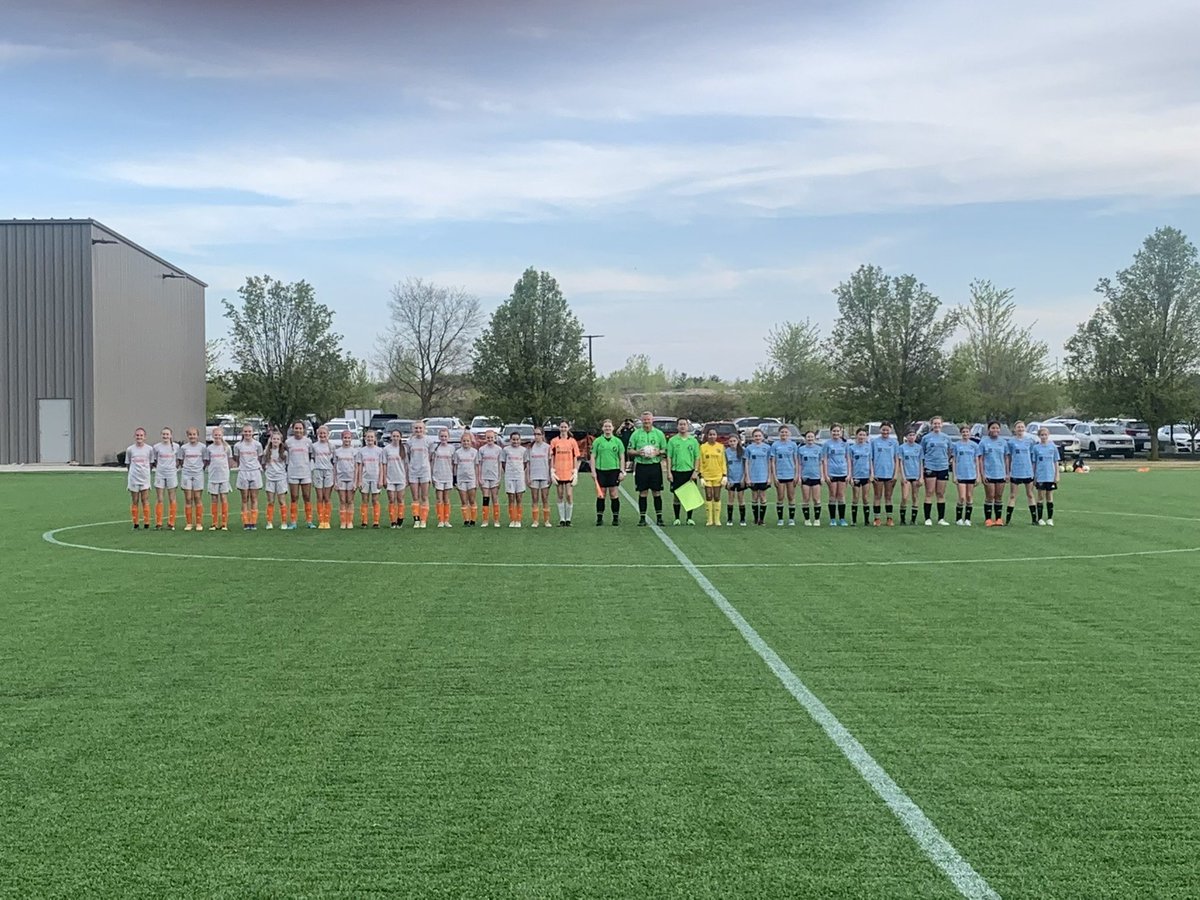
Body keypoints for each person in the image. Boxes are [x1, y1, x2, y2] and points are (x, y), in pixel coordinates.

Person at [627, 411, 668, 527]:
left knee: (656, 492)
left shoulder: (659, 434)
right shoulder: (636, 434)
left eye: (648, 420)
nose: (646, 422)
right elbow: (629, 450)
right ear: (641, 420)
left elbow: (665, 450)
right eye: (644, 420)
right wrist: (638, 452)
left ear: (652, 420)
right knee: (643, 492)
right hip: (641, 466)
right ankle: (642, 518)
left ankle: (659, 518)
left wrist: (657, 452)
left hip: (655, 466)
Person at [590, 419, 625, 526]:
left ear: (613, 428)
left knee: (614, 494)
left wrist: (622, 471)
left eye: (609, 426)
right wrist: (593, 471)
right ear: (602, 428)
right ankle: (599, 518)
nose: (607, 428)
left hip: (614, 470)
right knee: (601, 494)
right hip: (601, 470)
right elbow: (592, 456)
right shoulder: (597, 441)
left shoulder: (617, 441)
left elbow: (622, 457)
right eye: (605, 426)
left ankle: (615, 518)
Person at [666, 417, 700, 525]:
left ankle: (689, 518)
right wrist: (669, 472)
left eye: (684, 424)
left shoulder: (693, 441)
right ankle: (677, 518)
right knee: (677, 495)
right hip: (676, 471)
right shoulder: (672, 441)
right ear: (677, 426)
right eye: (680, 424)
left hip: (689, 472)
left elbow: (697, 457)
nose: (682, 426)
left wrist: (695, 471)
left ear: (687, 426)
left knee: (689, 495)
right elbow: (669, 457)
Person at [920, 416, 953, 526]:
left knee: (940, 493)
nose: (937, 425)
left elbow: (949, 451)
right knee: (929, 492)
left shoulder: (946, 438)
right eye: (935, 423)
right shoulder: (926, 438)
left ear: (942, 425)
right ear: (931, 425)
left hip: (943, 467)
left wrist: (946, 461)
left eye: (939, 423)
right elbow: (922, 452)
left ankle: (941, 519)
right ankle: (927, 518)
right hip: (930, 466)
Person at [978, 421, 1011, 527]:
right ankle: (988, 519)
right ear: (989, 429)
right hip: (989, 473)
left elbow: (1006, 458)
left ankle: (998, 519)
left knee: (999, 496)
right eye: (993, 428)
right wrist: (982, 474)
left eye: (997, 428)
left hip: (1000, 473)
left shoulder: (1003, 442)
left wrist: (1007, 473)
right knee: (990, 496)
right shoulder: (983, 442)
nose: (995, 430)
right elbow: (981, 459)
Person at [550, 420, 582, 526]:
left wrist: (575, 471)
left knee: (568, 495)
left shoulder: (572, 441)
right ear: (559, 428)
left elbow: (576, 457)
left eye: (565, 427)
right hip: (558, 471)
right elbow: (552, 456)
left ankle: (568, 519)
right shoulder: (554, 441)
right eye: (562, 427)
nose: (563, 429)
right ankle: (562, 519)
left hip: (569, 471)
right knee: (560, 495)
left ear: (568, 428)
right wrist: (552, 470)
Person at [1006, 421, 1038, 526]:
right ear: (1015, 429)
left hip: (1027, 472)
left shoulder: (1030, 441)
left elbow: (1033, 457)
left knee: (1030, 494)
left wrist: (1033, 471)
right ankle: (1008, 519)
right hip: (1015, 472)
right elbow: (1009, 457)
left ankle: (1034, 519)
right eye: (1018, 427)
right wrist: (1008, 471)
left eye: (1022, 427)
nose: (1020, 429)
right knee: (1013, 495)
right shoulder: (1011, 442)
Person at [285, 421, 316, 529]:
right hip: (293, 472)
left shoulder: (308, 441)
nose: (298, 430)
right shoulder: (288, 442)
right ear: (293, 429)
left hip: (305, 472)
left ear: (303, 430)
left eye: (300, 428)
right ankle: (293, 522)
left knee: (307, 497)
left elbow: (312, 455)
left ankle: (309, 521)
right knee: (294, 497)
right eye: (296, 428)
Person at [234, 424, 264, 530]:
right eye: (245, 431)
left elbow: (259, 457)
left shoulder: (258, 445)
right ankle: (246, 522)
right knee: (244, 498)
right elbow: (237, 458)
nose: (247, 433)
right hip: (243, 472)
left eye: (249, 431)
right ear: (242, 433)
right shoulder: (238, 446)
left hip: (255, 472)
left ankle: (253, 522)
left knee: (254, 498)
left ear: (253, 432)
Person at [869, 422, 900, 526]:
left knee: (888, 496)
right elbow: (871, 459)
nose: (885, 432)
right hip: (878, 473)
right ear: (880, 430)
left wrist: (896, 474)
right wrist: (872, 473)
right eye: (883, 430)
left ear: (890, 430)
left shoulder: (894, 443)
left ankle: (889, 518)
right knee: (877, 496)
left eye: (887, 430)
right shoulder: (874, 442)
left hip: (890, 473)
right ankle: (877, 519)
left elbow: (896, 459)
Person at [951, 424, 982, 525]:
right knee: (962, 497)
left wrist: (978, 475)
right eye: (963, 432)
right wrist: (954, 474)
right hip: (961, 474)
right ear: (961, 433)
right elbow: (954, 461)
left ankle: (968, 519)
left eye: (967, 432)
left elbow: (977, 461)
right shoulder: (956, 445)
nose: (965, 434)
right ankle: (958, 518)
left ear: (970, 433)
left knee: (969, 496)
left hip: (971, 474)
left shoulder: (974, 446)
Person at [177, 427, 207, 531]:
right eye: (190, 434)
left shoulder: (203, 447)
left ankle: (199, 523)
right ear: (187, 436)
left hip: (198, 474)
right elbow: (180, 460)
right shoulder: (184, 448)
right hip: (186, 474)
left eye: (194, 434)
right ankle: (189, 523)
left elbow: (205, 460)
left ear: (197, 435)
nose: (192, 436)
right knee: (188, 498)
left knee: (197, 497)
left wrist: (200, 468)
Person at [768, 425, 799, 525]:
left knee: (791, 496)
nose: (784, 434)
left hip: (790, 474)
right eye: (782, 432)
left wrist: (796, 474)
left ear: (789, 433)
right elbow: (773, 462)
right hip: (780, 475)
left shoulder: (793, 445)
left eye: (786, 432)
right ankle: (780, 519)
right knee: (780, 497)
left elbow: (796, 461)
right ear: (779, 434)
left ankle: (791, 519)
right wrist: (774, 476)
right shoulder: (775, 445)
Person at [821, 424, 850, 526]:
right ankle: (832, 519)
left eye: (838, 431)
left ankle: (842, 519)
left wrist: (849, 474)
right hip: (832, 472)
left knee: (841, 495)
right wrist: (825, 474)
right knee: (832, 495)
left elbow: (848, 459)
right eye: (834, 431)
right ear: (831, 432)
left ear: (841, 432)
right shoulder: (827, 444)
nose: (836, 433)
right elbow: (824, 460)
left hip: (843, 472)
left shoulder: (845, 444)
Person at [698, 427, 727, 526]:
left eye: (714, 434)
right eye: (710, 434)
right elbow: (700, 462)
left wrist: (724, 475)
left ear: (716, 436)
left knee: (717, 496)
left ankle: (717, 519)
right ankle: (709, 519)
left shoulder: (721, 447)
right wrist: (701, 475)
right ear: (707, 436)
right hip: (706, 475)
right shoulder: (703, 447)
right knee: (709, 496)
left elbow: (723, 462)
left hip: (718, 475)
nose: (712, 436)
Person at [357, 429, 386, 528]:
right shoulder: (361, 451)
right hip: (365, 478)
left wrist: (381, 479)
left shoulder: (379, 451)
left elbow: (381, 465)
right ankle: (364, 521)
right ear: (365, 438)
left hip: (376, 478)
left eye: (371, 437)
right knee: (364, 500)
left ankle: (376, 521)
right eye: (368, 437)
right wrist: (359, 480)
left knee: (375, 500)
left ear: (375, 438)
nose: (369, 439)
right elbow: (360, 466)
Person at [151, 427, 179, 529]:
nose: (165, 436)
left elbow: (178, 460)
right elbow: (154, 460)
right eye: (163, 434)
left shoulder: (176, 447)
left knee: (172, 498)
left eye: (167, 434)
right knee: (160, 498)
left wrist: (174, 468)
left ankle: (171, 522)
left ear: (171, 435)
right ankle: (159, 522)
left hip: (171, 473)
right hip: (160, 474)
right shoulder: (157, 447)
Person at [125, 428, 153, 530]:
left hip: (144, 477)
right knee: (135, 500)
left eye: (141, 435)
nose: (139, 437)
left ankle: (146, 522)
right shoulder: (130, 449)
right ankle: (136, 523)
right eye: (137, 435)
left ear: (145, 437)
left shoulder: (149, 449)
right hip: (133, 478)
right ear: (134, 436)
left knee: (145, 500)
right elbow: (128, 464)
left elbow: (151, 463)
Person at [1032, 427, 1061, 525]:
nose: (1044, 437)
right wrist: (1034, 476)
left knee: (1050, 496)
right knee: (1040, 496)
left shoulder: (1053, 447)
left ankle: (1050, 518)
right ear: (1039, 436)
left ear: (1048, 435)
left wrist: (1057, 475)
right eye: (1042, 435)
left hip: (1050, 476)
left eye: (1045, 435)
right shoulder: (1036, 448)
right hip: (1041, 476)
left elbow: (1056, 462)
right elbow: (1034, 463)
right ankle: (1040, 518)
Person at [406, 421, 433, 528]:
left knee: (424, 496)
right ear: (413, 429)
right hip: (413, 471)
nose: (418, 430)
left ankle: (423, 520)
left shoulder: (428, 441)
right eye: (416, 428)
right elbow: (408, 456)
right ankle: (416, 519)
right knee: (415, 497)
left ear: (424, 429)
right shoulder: (410, 442)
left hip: (425, 471)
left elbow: (430, 456)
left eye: (420, 428)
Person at [206, 426, 233, 530]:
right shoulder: (209, 448)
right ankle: (214, 523)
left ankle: (224, 523)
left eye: (219, 435)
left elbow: (230, 462)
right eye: (215, 435)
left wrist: (227, 472)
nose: (217, 437)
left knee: (223, 498)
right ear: (213, 436)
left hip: (224, 477)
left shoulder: (226, 447)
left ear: (222, 436)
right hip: (213, 477)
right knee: (214, 499)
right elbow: (207, 461)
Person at [501, 429, 529, 527]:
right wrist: (508, 472)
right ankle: (512, 519)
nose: (515, 441)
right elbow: (503, 463)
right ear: (510, 440)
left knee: (519, 498)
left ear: (520, 440)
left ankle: (518, 520)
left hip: (520, 476)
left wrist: (520, 471)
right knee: (511, 498)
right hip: (509, 476)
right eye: (513, 439)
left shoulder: (523, 450)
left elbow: (525, 463)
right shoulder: (506, 450)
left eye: (517, 439)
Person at [744, 428, 772, 526]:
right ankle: (756, 519)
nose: (757, 438)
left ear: (763, 437)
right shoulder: (749, 448)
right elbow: (746, 462)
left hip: (763, 476)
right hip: (753, 476)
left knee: (763, 497)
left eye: (759, 436)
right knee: (754, 497)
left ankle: (762, 520)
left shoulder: (767, 448)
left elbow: (769, 462)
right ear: (753, 437)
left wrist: (769, 477)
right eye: (756, 436)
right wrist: (747, 477)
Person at [263, 430, 289, 529]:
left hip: (281, 478)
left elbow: (287, 464)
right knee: (270, 501)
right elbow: (264, 462)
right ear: (271, 440)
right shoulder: (267, 451)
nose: (275, 441)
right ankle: (269, 522)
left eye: (277, 439)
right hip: (270, 478)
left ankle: (284, 522)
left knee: (282, 501)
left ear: (281, 441)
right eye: (274, 439)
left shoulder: (284, 452)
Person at [431, 427, 456, 528]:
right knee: (439, 499)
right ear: (439, 437)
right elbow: (432, 462)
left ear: (448, 437)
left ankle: (446, 520)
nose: (443, 438)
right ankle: (440, 520)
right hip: (438, 476)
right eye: (442, 436)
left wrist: (454, 478)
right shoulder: (435, 448)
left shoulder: (452, 448)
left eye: (445, 436)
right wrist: (432, 476)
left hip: (448, 476)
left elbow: (454, 464)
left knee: (446, 499)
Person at [477, 429, 503, 527]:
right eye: (488, 437)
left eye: (491, 437)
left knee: (495, 498)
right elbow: (479, 464)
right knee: (485, 498)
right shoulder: (482, 450)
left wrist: (499, 477)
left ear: (494, 438)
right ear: (485, 438)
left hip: (494, 477)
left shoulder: (498, 449)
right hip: (484, 477)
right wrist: (479, 478)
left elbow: (500, 464)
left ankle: (496, 520)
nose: (490, 439)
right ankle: (485, 520)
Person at [897, 429, 923, 525]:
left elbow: (920, 462)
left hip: (916, 475)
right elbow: (901, 463)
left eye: (913, 435)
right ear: (906, 437)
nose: (911, 437)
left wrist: (921, 477)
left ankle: (913, 519)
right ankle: (902, 519)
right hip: (906, 476)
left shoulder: (919, 448)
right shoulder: (902, 447)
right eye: (910, 435)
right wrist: (903, 476)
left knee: (915, 497)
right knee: (904, 497)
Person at [528, 426, 552, 527]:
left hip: (544, 475)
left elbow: (550, 462)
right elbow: (528, 464)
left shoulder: (547, 447)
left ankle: (546, 521)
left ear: (543, 435)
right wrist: (527, 476)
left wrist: (550, 475)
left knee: (545, 498)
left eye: (538, 434)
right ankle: (535, 521)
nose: (536, 436)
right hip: (534, 475)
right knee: (534, 498)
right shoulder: (530, 448)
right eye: (535, 434)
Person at [311, 425, 335, 529]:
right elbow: (312, 458)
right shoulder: (314, 446)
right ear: (317, 434)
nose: (322, 435)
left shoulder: (331, 446)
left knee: (327, 497)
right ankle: (321, 520)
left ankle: (327, 520)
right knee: (319, 497)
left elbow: (333, 460)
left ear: (328, 434)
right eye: (320, 433)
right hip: (317, 471)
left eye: (324, 433)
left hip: (328, 471)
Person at [797, 431, 823, 525]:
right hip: (805, 476)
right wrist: (799, 476)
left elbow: (821, 463)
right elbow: (799, 464)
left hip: (816, 476)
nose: (810, 439)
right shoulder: (801, 449)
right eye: (808, 437)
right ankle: (807, 519)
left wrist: (822, 476)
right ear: (805, 438)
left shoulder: (819, 449)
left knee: (816, 499)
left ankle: (817, 519)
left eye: (812, 437)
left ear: (814, 438)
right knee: (806, 499)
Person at [848, 428, 873, 525]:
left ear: (866, 437)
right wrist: (850, 476)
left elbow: (870, 461)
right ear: (856, 436)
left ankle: (866, 520)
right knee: (855, 498)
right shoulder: (852, 448)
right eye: (860, 435)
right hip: (856, 476)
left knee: (866, 498)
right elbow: (850, 463)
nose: (861, 437)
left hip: (866, 475)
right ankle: (854, 520)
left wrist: (872, 474)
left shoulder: (869, 447)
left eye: (863, 435)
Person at [454, 432, 479, 526]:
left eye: (467, 441)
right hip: (461, 479)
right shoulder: (457, 452)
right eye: (464, 441)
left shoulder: (474, 452)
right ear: (461, 442)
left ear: (470, 441)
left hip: (471, 478)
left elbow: (476, 466)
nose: (466, 443)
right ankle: (466, 520)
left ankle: (473, 520)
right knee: (464, 501)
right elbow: (455, 466)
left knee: (472, 500)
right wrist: (455, 479)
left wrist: (477, 479)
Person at [385, 428, 408, 528]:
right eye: (394, 436)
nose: (395, 438)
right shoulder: (386, 449)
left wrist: (407, 477)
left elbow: (406, 465)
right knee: (391, 499)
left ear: (400, 437)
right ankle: (393, 521)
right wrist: (384, 478)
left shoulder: (404, 449)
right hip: (390, 478)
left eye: (397, 436)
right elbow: (384, 464)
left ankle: (400, 519)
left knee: (400, 499)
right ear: (391, 437)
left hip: (401, 477)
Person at [724, 432, 749, 525]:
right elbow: (726, 466)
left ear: (738, 441)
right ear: (728, 442)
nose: (732, 443)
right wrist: (727, 479)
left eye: (734, 441)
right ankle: (729, 519)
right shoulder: (726, 452)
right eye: (730, 441)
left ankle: (742, 519)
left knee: (741, 498)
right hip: (731, 479)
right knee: (730, 498)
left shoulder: (743, 450)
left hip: (740, 478)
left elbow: (745, 465)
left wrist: (744, 478)